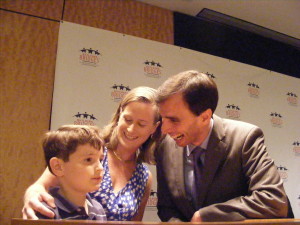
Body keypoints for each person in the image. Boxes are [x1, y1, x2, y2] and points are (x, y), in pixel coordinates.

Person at [155, 70, 293, 222]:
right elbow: (167, 208)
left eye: (174, 120)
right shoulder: (164, 147)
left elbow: (273, 200)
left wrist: (206, 216)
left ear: (205, 117)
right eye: (163, 118)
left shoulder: (246, 138)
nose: (164, 129)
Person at [22, 86, 161, 221]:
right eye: (128, 119)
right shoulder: (89, 151)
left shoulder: (144, 177)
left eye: (141, 124)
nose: (131, 129)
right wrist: (32, 195)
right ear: (119, 115)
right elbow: (40, 186)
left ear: (154, 128)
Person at [37, 125, 107, 220]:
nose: (100, 168)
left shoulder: (98, 209)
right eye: (88, 159)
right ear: (58, 167)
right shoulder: (45, 211)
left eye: (101, 160)